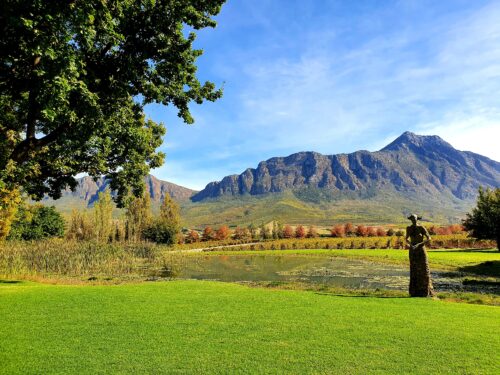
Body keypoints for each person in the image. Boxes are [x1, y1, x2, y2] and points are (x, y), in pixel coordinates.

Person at [405, 214, 434, 297]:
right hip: (413, 249)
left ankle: (425, 291)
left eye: (414, 218)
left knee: (424, 268)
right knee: (413, 268)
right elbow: (406, 239)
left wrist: (419, 244)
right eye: (412, 219)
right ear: (410, 220)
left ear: (417, 219)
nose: (413, 220)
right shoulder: (409, 228)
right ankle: (414, 291)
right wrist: (411, 244)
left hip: (421, 249)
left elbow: (429, 238)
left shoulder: (421, 228)